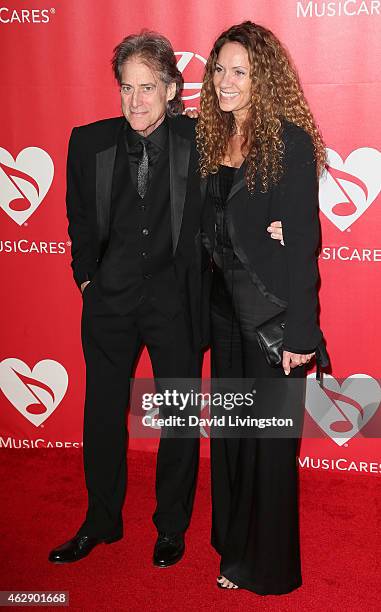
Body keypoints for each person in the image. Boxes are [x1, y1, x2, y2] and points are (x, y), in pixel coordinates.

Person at [48, 30, 284, 568]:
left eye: (148, 88)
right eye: (126, 89)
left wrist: (279, 224)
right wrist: (87, 279)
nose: (135, 101)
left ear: (174, 89)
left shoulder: (198, 141)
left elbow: (240, 191)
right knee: (102, 415)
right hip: (108, 304)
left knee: (177, 419)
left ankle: (171, 526)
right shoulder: (88, 144)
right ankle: (100, 521)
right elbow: (80, 223)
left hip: (176, 304)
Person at [196, 22, 326, 593]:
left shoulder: (290, 143)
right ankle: (232, 545)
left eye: (240, 71)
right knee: (231, 436)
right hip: (222, 312)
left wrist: (303, 333)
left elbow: (303, 244)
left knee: (269, 444)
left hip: (272, 317)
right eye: (219, 69)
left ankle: (267, 568)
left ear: (264, 78)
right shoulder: (207, 136)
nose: (226, 82)